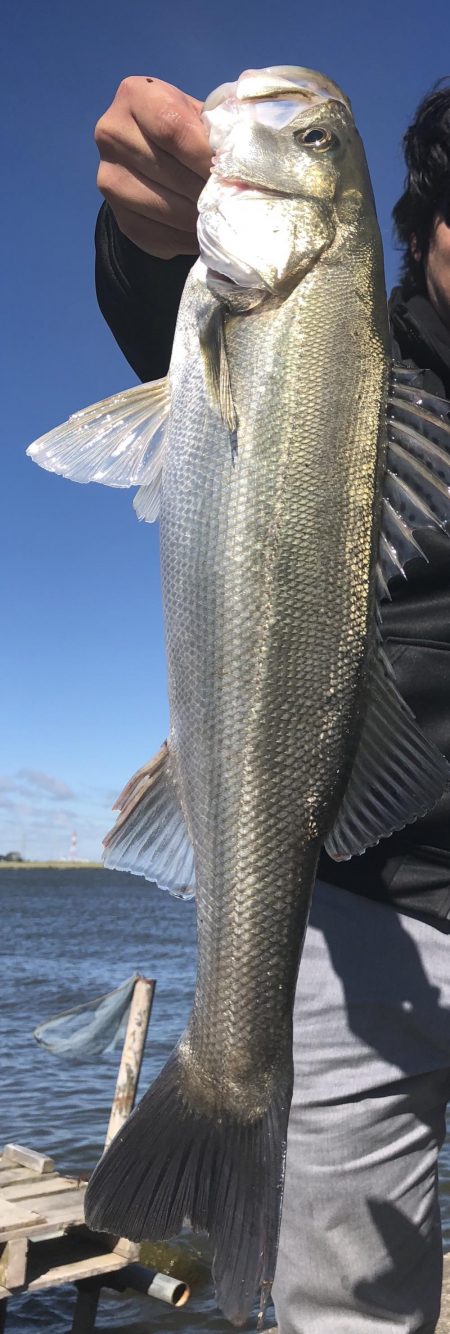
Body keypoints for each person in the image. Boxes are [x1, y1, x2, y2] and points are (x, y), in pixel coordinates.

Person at [93, 75, 450, 1332]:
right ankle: (226, 1091)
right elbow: (182, 322)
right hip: (366, 911)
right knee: (340, 1302)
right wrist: (149, 241)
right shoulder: (352, 340)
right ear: (422, 219)